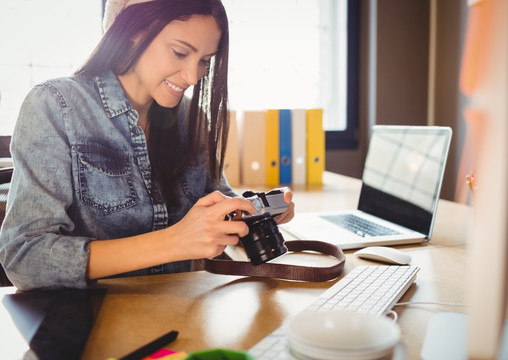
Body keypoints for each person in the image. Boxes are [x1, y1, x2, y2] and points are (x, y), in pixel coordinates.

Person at [0, 0, 294, 291]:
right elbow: (25, 258)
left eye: (205, 60)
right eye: (180, 53)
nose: (193, 77)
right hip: (85, 322)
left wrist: (253, 212)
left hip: (179, 314)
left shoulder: (190, 117)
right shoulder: (55, 105)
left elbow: (216, 201)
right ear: (134, 31)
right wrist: (174, 242)